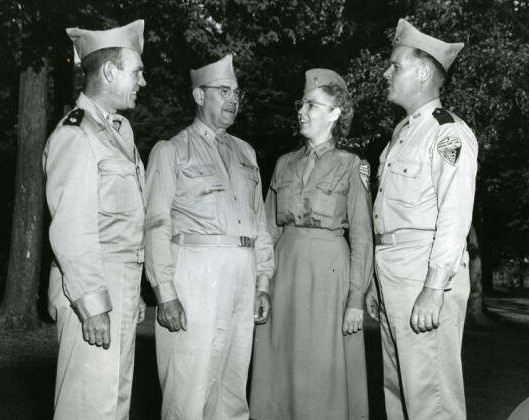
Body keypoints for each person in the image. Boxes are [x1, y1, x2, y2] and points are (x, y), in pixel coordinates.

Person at [144, 53, 274, 420]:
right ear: (199, 96)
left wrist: (263, 281)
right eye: (223, 91)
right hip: (195, 275)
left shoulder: (246, 153)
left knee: (233, 389)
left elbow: (259, 224)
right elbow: (155, 225)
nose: (233, 99)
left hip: (243, 275)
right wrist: (165, 293)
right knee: (189, 389)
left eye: (237, 92)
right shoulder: (171, 151)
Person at [365, 19, 478, 420]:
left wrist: (434, 287)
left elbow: (454, 215)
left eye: (395, 65)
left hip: (424, 272)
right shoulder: (401, 133)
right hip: (394, 271)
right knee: (398, 393)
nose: (386, 72)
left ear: (425, 71)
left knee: (432, 400)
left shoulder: (447, 133)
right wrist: (377, 283)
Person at [249, 69, 373, 420]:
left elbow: (362, 236)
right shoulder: (284, 163)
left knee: (322, 371)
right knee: (280, 366)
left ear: (335, 113)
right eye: (301, 104)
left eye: (312, 105)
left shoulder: (352, 165)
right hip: (284, 273)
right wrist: (263, 285)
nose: (301, 111)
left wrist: (356, 300)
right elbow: (268, 230)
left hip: (328, 277)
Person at [43, 19, 148, 420]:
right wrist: (92, 305)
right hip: (92, 287)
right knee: (87, 406)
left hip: (117, 284)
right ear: (109, 71)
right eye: (136, 71)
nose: (142, 81)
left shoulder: (120, 132)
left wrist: (130, 291)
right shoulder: (75, 134)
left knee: (113, 405)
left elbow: (124, 221)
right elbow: (72, 230)